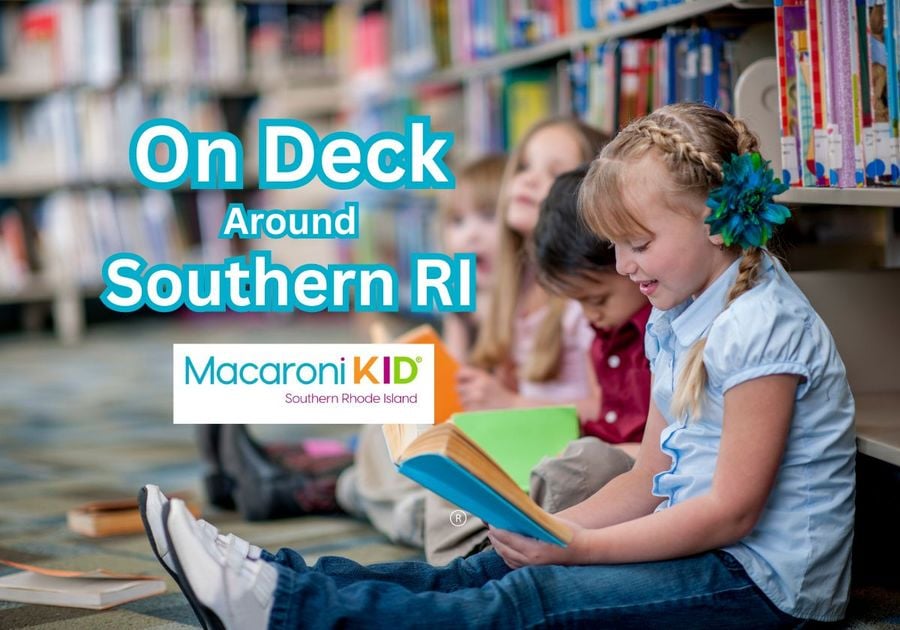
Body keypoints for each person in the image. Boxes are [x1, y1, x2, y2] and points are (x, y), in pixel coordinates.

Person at [142, 103, 856, 628]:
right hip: (702, 546)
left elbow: (731, 512)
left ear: (713, 220)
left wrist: (580, 549)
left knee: (531, 600)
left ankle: (281, 611)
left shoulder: (762, 326)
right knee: (491, 565)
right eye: (613, 246)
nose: (622, 266)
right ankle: (275, 579)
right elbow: (648, 474)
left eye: (636, 242)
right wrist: (553, 528)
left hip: (763, 587)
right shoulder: (675, 312)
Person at [425, 118, 610, 562]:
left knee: (448, 487)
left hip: (554, 447)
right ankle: (424, 513)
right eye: (524, 165)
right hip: (518, 443)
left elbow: (603, 411)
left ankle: (431, 519)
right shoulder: (517, 283)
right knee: (393, 441)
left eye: (551, 171)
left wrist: (505, 402)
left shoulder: (586, 297)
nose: (526, 178)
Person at [334, 154, 507, 548]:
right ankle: (369, 493)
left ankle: (383, 503)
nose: (470, 236)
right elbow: (450, 383)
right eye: (458, 223)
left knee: (381, 475)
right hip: (461, 432)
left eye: (487, 218)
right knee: (382, 424)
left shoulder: (525, 305)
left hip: (490, 441)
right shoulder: (465, 300)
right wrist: (457, 323)